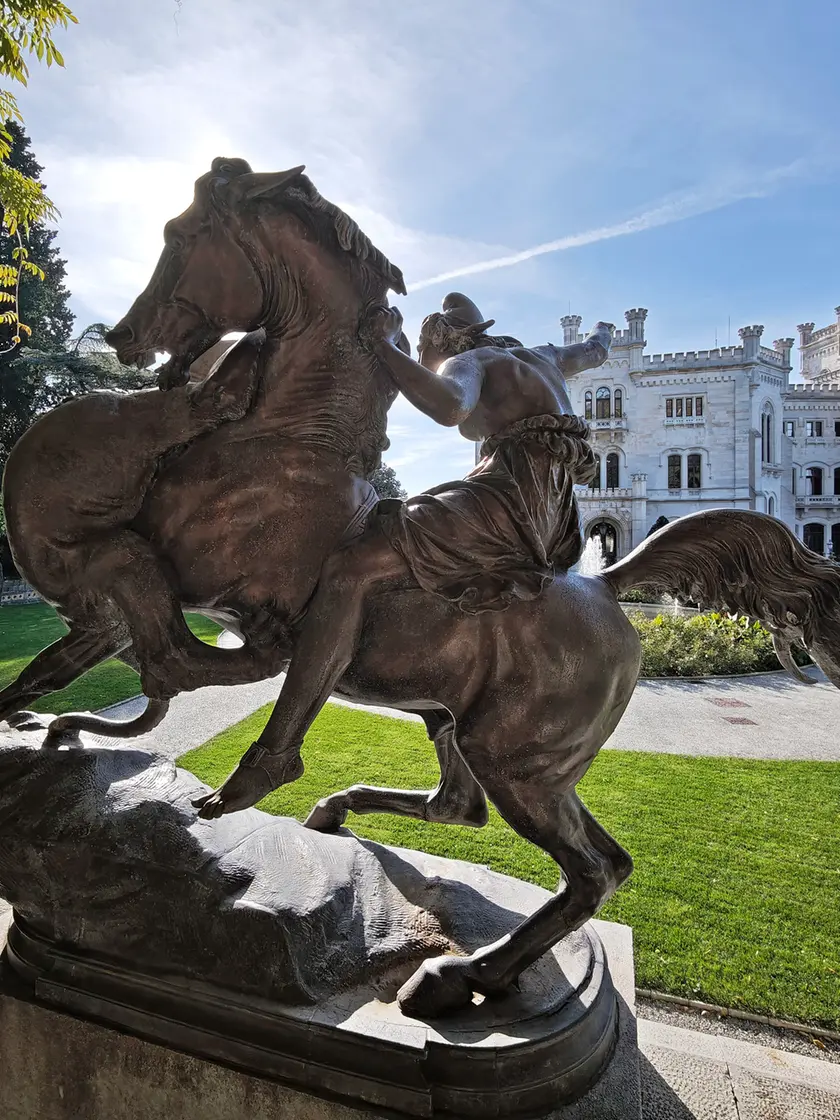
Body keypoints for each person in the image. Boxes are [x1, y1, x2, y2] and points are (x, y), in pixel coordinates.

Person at [194, 295, 613, 818]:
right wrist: (604, 329)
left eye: (429, 354)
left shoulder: (473, 360)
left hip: (505, 503)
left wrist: (383, 347)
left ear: (447, 340)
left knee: (352, 568)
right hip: (553, 519)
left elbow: (449, 406)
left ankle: (276, 754)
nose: (429, 363)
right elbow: (595, 350)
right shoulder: (545, 356)